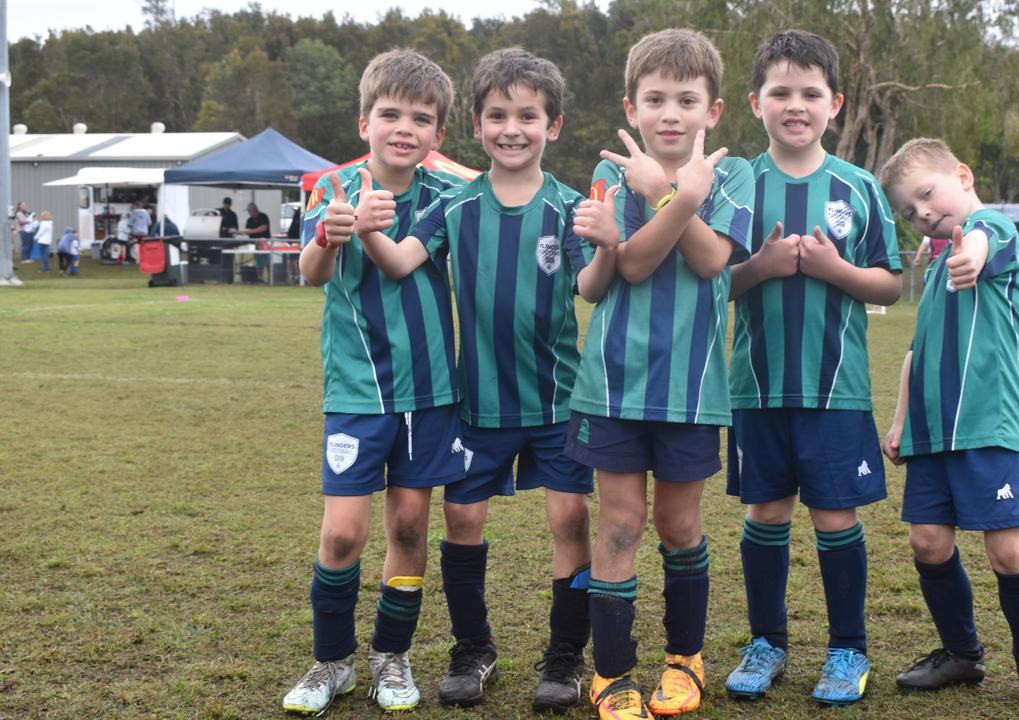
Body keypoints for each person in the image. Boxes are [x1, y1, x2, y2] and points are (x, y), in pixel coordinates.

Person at [356, 48, 618, 714]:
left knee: (569, 517)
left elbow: (590, 288)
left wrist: (609, 244)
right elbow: (400, 262)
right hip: (479, 403)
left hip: (558, 400)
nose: (512, 128)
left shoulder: (566, 207)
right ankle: (473, 649)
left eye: (527, 115)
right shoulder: (453, 204)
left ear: (552, 125)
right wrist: (363, 231)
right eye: (498, 114)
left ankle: (565, 659)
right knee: (464, 517)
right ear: (475, 124)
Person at [561, 29, 753, 720]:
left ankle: (685, 660)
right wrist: (668, 193)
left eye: (686, 99)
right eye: (655, 99)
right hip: (611, 387)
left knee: (678, 523)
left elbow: (709, 263)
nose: (670, 113)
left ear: (714, 110)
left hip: (693, 389)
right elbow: (630, 266)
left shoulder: (734, 174)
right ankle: (611, 675)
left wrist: (670, 190)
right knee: (619, 525)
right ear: (631, 106)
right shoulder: (614, 176)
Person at [281, 49, 466, 715]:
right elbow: (311, 276)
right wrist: (329, 237)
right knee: (342, 535)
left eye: (421, 118)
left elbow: (407, 263)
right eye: (390, 113)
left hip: (429, 394)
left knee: (411, 526)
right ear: (365, 121)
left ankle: (392, 655)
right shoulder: (329, 187)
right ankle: (331, 662)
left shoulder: (445, 197)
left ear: (438, 135)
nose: (404, 127)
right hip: (358, 393)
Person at [722, 30, 902, 707]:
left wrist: (837, 271)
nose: (795, 106)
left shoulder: (857, 187)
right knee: (766, 511)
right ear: (755, 103)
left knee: (833, 516)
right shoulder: (738, 185)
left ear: (835, 103)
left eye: (810, 93)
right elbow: (713, 281)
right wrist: (759, 268)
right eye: (780, 93)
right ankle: (766, 642)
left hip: (838, 390)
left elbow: (889, 283)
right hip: (757, 387)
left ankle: (847, 648)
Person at [877, 138, 1019, 714]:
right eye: (910, 212)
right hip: (933, 430)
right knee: (928, 542)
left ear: (962, 176)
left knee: (1009, 551)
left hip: (990, 424)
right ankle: (962, 653)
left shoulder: (993, 233)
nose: (923, 214)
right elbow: (917, 350)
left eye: (927, 195)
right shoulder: (939, 266)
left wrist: (972, 253)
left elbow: (987, 235)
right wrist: (898, 421)